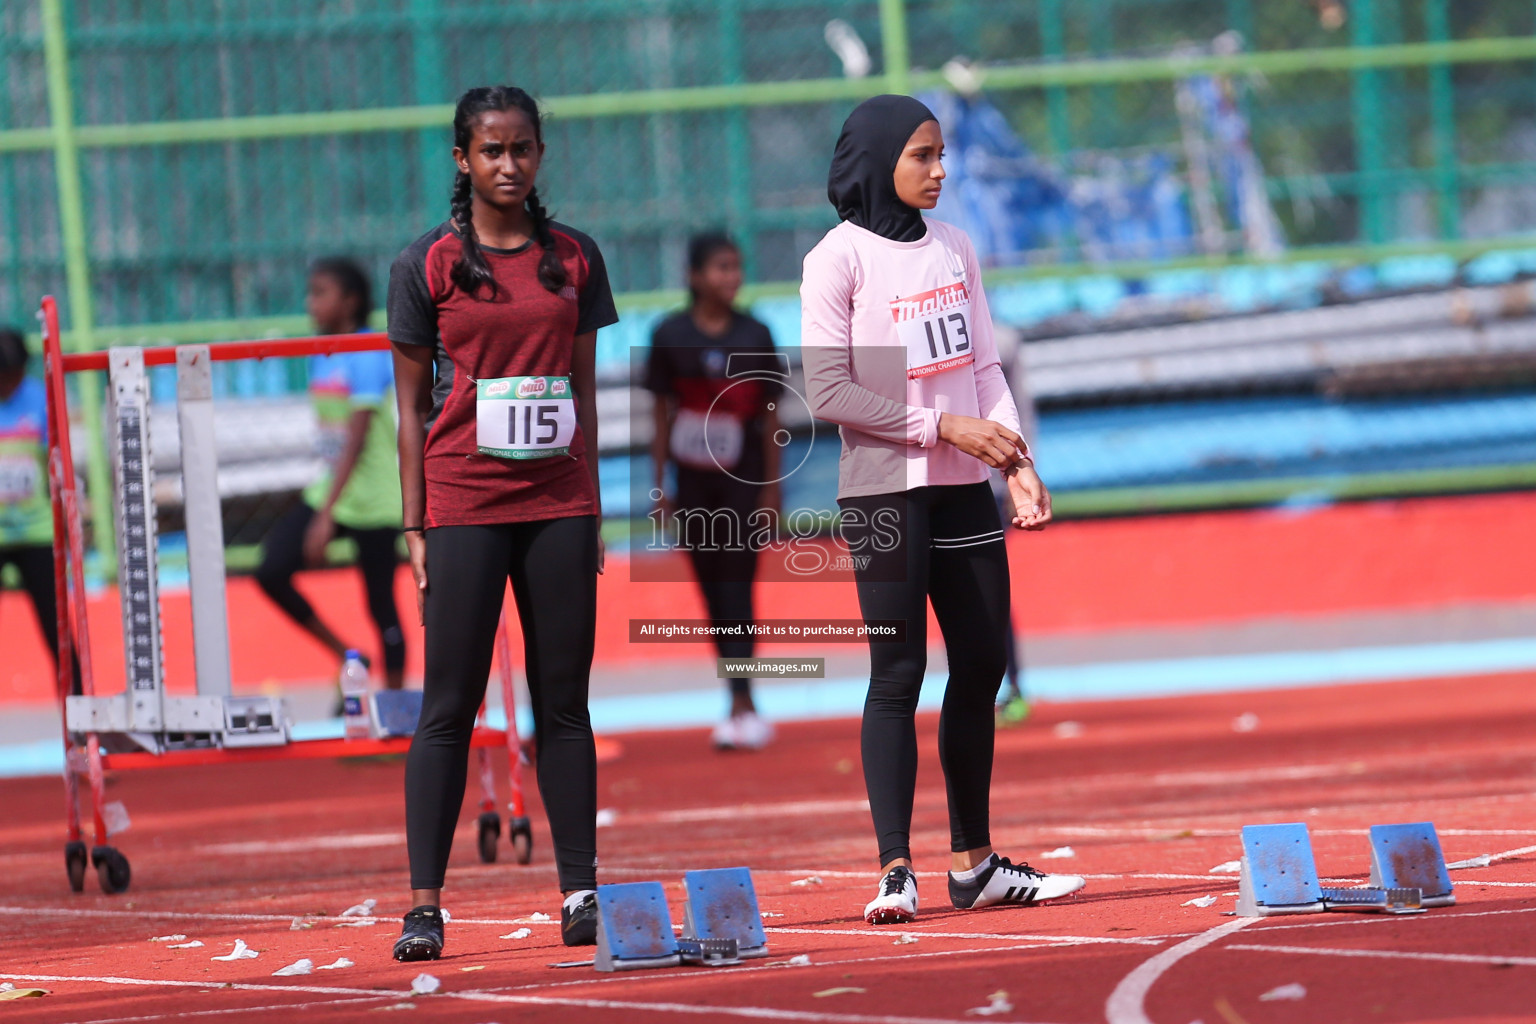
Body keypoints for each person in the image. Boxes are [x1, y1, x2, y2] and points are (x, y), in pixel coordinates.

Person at [800, 95, 1086, 925]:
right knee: (897, 676)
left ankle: (975, 864)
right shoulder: (837, 260)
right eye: (922, 155)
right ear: (880, 159)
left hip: (965, 486)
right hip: (885, 491)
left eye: (942, 154)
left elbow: (986, 368)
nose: (940, 170)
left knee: (984, 664)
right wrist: (939, 425)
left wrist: (1017, 462)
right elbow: (829, 391)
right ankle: (896, 868)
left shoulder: (957, 247)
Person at [387, 85, 617, 961]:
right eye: (491, 151)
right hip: (463, 503)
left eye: (522, 149)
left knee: (567, 705)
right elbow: (410, 408)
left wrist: (591, 501)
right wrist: (416, 526)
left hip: (558, 503)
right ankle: (424, 906)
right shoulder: (428, 265)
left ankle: (580, 893)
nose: (508, 165)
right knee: (449, 705)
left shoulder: (576, 258)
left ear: (539, 154)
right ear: (462, 159)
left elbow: (584, 391)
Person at [645, 232, 780, 751]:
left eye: (737, 267)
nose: (732, 277)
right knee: (710, 589)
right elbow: (660, 414)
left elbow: (771, 416)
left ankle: (744, 703)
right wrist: (659, 486)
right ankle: (734, 692)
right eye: (721, 268)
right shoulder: (669, 335)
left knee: (737, 584)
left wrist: (771, 492)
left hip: (742, 481)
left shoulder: (756, 333)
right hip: (692, 483)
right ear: (695, 276)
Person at [254, 258, 406, 693]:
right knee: (271, 570)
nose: (310, 303)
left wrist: (327, 511)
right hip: (332, 488)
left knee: (381, 605)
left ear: (351, 300)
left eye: (321, 293)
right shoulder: (324, 351)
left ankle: (395, 708)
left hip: (372, 496)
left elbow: (356, 438)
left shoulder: (368, 350)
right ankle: (349, 656)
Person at [0, 328, 80, 696]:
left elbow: (59, 464)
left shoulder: (40, 400)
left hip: (36, 532)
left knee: (58, 631)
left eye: (12, 375)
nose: (7, 385)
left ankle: (81, 719)